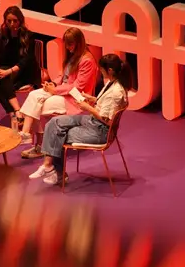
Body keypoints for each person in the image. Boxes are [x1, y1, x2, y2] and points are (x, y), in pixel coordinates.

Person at [29, 54, 131, 185]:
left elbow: (108, 120)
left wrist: (86, 107)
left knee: (57, 134)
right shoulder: (112, 83)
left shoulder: (116, 92)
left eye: (102, 69)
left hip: (99, 131)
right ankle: (48, 166)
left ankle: (56, 172)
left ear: (110, 70)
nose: (100, 72)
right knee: (54, 122)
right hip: (93, 122)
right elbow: (106, 106)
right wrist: (92, 99)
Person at [17, 27, 98, 159]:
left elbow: (78, 87)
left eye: (70, 44)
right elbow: (63, 75)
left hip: (74, 99)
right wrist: (53, 84)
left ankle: (40, 146)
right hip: (62, 92)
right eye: (66, 43)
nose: (67, 47)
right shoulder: (73, 56)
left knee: (40, 106)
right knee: (33, 95)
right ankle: (26, 133)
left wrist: (55, 90)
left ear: (79, 42)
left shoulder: (87, 60)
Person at [0, 6, 39, 128]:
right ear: (5, 21)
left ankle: (15, 113)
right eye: (9, 21)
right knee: (1, 81)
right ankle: (16, 113)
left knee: (0, 87)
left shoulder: (29, 36)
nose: (12, 24)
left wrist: (7, 72)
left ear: (20, 20)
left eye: (15, 21)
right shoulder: (2, 35)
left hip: (25, 71)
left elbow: (26, 61)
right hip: (7, 69)